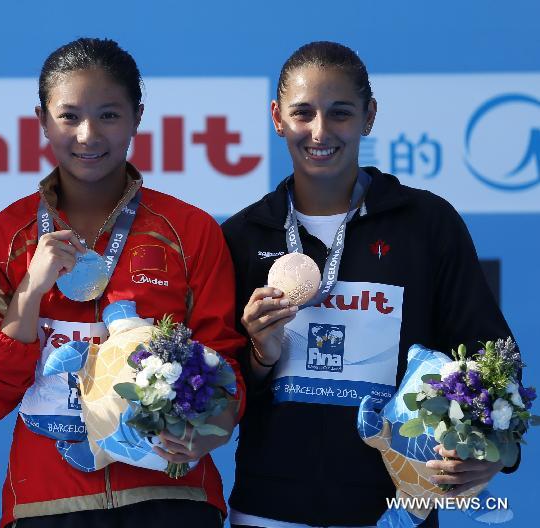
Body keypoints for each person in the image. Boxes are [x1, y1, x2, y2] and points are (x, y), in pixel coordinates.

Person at [221, 41, 515, 528]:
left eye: (340, 113)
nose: (320, 131)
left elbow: (489, 354)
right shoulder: (244, 235)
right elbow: (216, 394)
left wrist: (496, 448)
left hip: (395, 509)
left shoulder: (426, 224)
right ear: (277, 117)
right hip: (269, 509)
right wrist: (257, 353)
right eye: (302, 113)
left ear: (369, 116)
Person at [0, 37, 246, 528]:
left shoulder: (190, 231)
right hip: (46, 501)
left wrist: (210, 431)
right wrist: (30, 292)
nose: (88, 134)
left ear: (137, 117)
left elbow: (225, 367)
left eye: (109, 116)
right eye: (69, 116)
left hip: (170, 494)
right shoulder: (1, 241)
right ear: (42, 120)